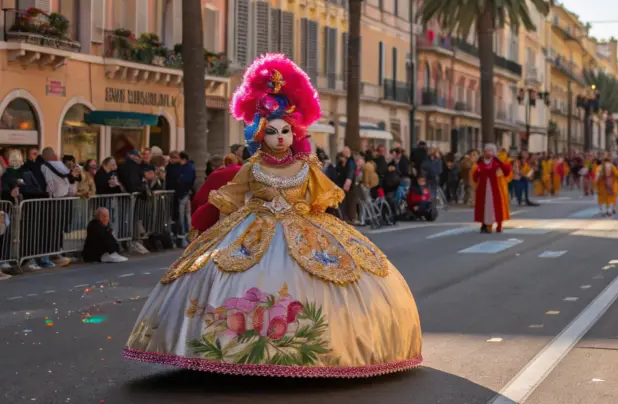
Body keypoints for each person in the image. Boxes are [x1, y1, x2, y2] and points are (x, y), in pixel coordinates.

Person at [124, 53, 422, 376]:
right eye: (272, 132)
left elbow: (323, 198)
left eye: (285, 131)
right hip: (254, 230)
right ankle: (234, 348)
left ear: (294, 134)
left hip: (304, 230)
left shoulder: (307, 167)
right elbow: (231, 197)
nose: (280, 137)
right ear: (261, 134)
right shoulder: (253, 167)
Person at [472, 144, 512, 233]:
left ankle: (499, 224)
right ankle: (485, 224)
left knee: (497, 207)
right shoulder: (480, 163)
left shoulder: (497, 162)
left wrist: (501, 163)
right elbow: (475, 175)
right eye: (487, 150)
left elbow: (507, 171)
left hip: (495, 189)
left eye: (491, 150)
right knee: (484, 207)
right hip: (483, 189)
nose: (488, 152)